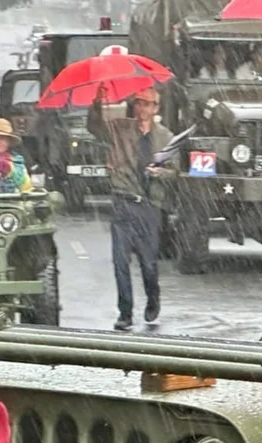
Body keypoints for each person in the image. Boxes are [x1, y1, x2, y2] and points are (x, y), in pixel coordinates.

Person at [87, 85, 176, 332]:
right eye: (138, 102)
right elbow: (95, 128)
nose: (142, 108)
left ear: (156, 108)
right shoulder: (120, 128)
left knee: (149, 264)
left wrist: (160, 173)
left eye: (147, 103)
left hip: (149, 206)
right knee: (120, 262)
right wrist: (97, 103)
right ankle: (125, 312)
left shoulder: (165, 136)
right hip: (123, 202)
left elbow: (175, 171)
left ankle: (153, 298)